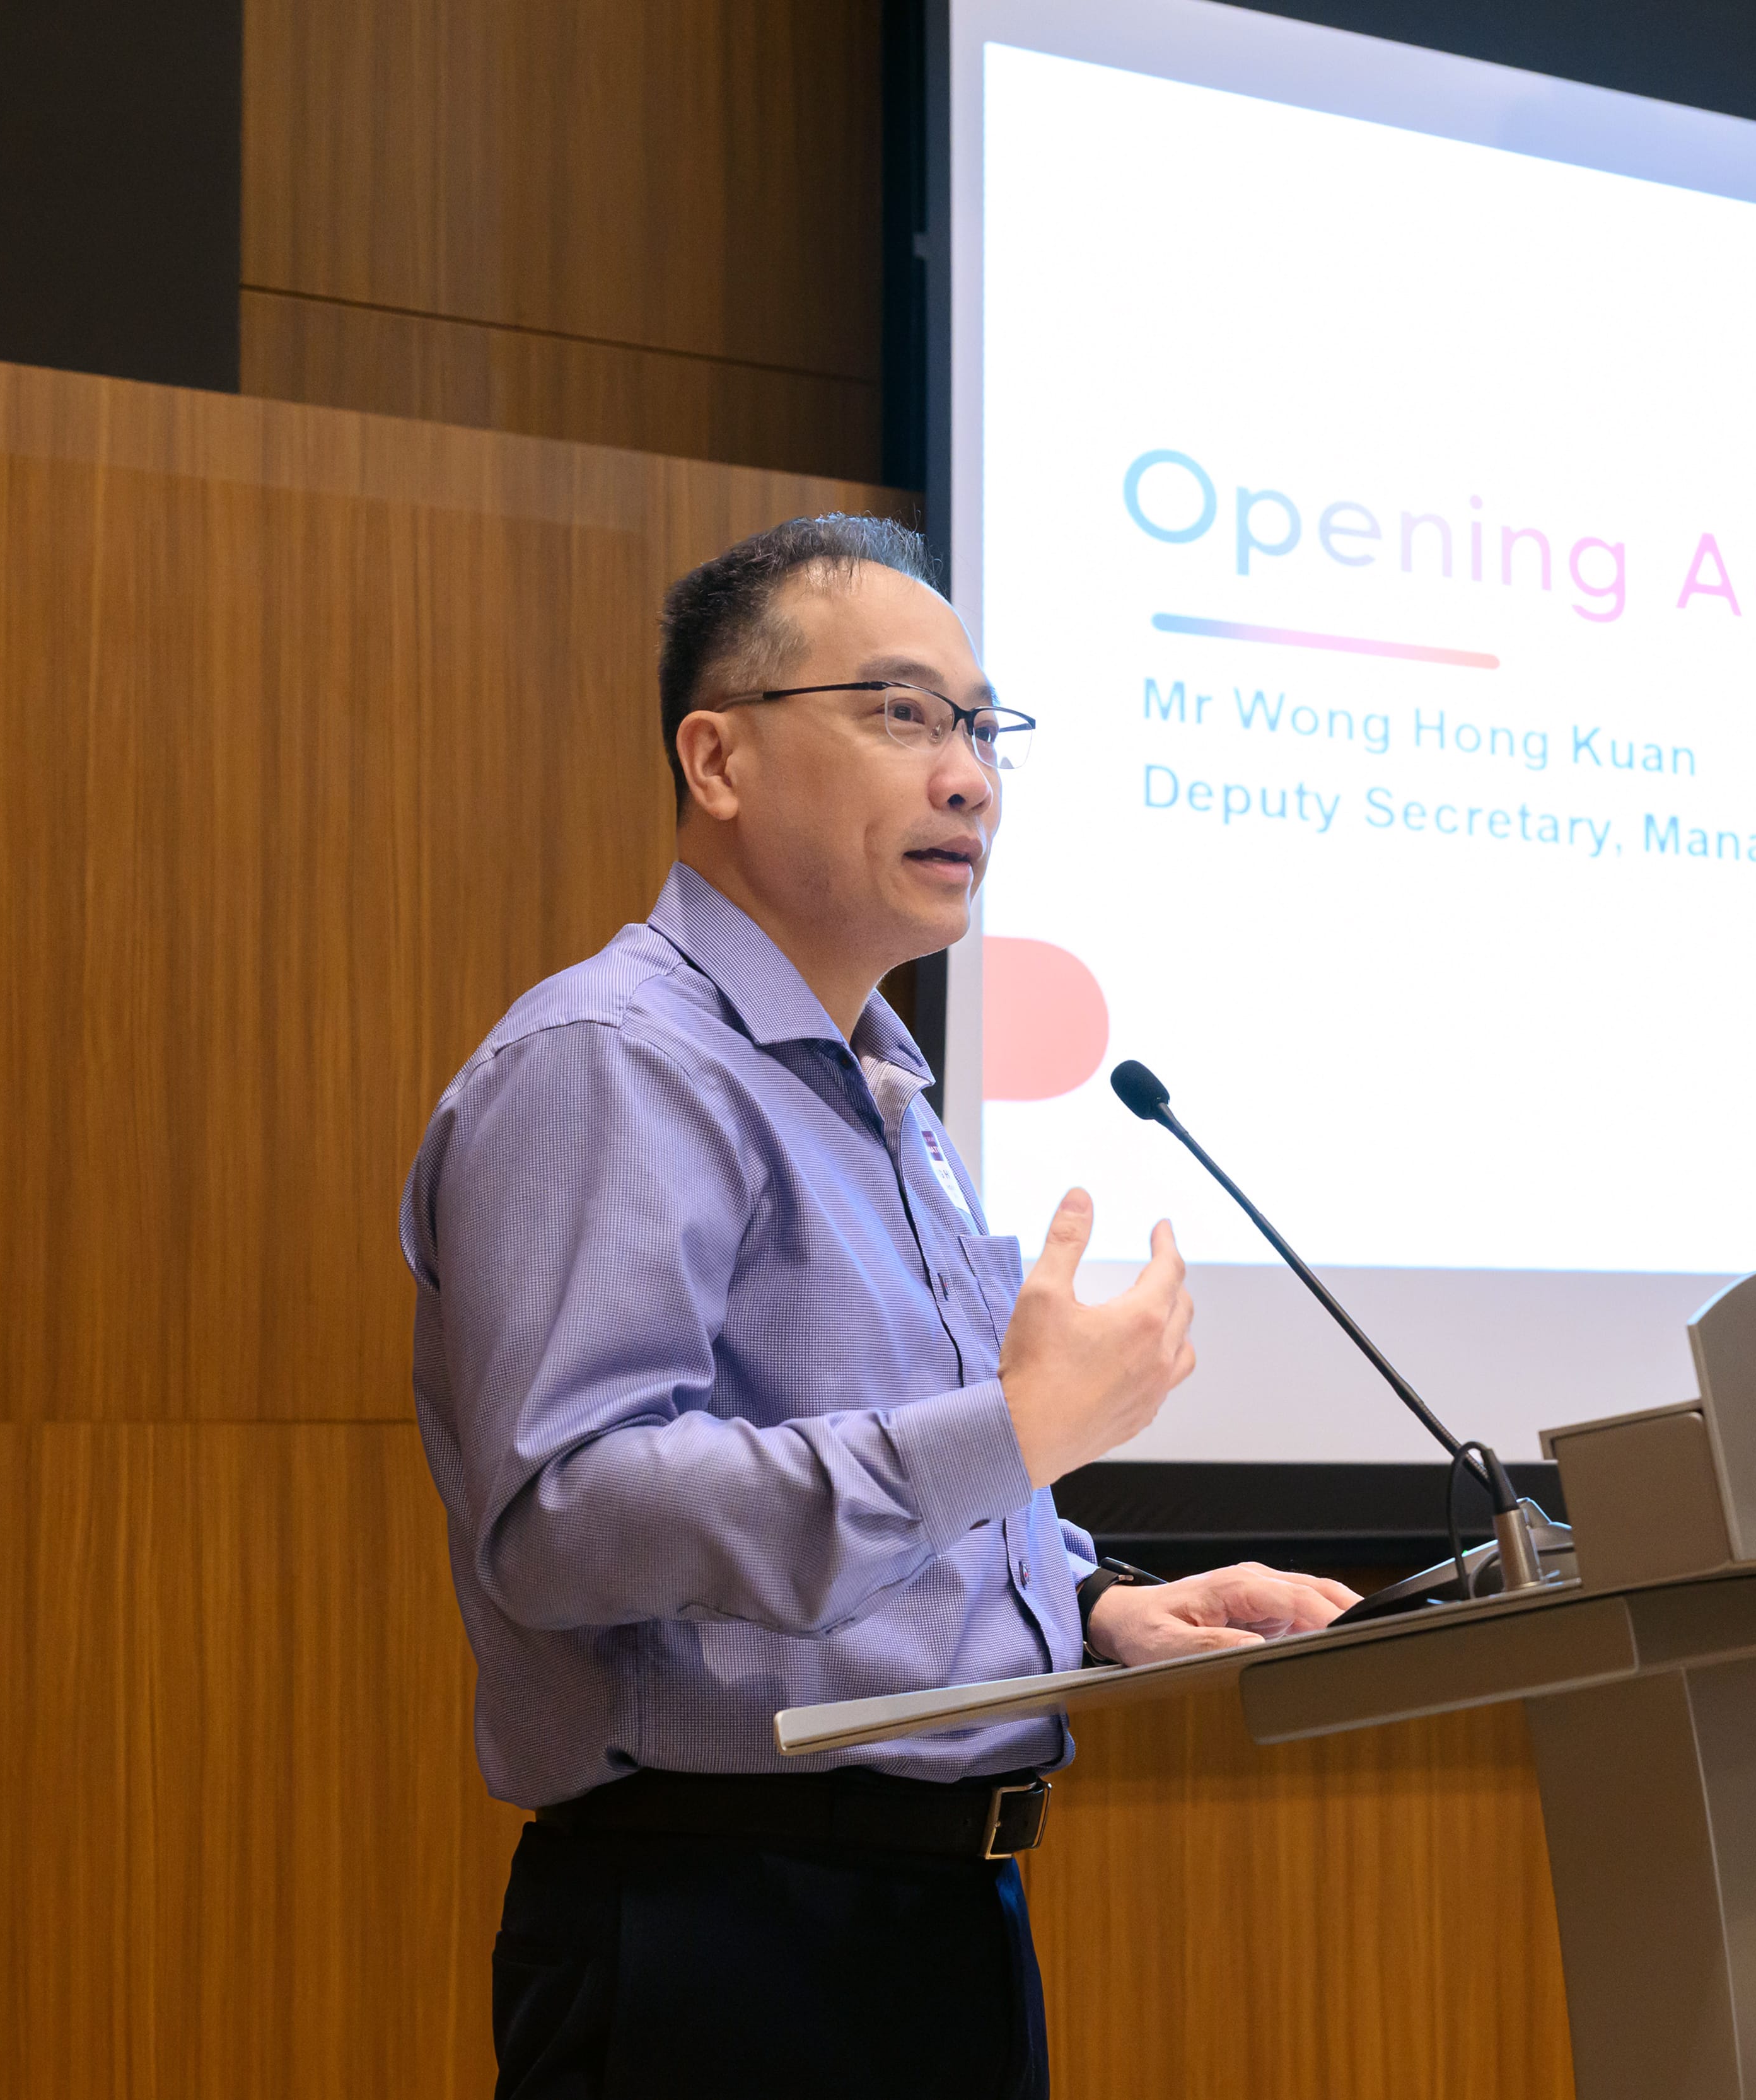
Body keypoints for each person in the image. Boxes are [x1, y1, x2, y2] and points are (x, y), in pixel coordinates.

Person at [400, 513, 1360, 2099]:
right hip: (726, 1931)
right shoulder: (613, 1063)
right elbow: (564, 1516)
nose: (971, 774)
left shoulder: (887, 1091)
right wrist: (1007, 1432)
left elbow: (901, 1507)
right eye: (904, 713)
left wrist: (1095, 1605)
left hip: (940, 1909)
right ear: (717, 759)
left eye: (983, 728)